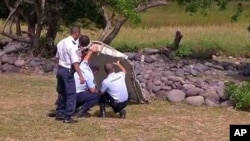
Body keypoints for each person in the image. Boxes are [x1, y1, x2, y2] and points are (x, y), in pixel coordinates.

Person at [55, 26, 84, 123]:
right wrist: (80, 75)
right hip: (68, 70)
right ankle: (68, 116)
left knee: (61, 92)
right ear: (76, 33)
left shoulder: (61, 42)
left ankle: (60, 112)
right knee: (71, 94)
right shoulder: (72, 45)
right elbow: (75, 62)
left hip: (60, 68)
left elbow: (57, 58)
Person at [74, 37, 100, 118]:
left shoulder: (83, 66)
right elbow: (92, 90)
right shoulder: (89, 74)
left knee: (85, 92)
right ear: (95, 71)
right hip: (77, 95)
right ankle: (82, 111)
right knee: (96, 95)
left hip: (70, 92)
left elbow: (86, 59)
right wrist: (96, 89)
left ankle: (74, 108)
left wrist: (91, 51)